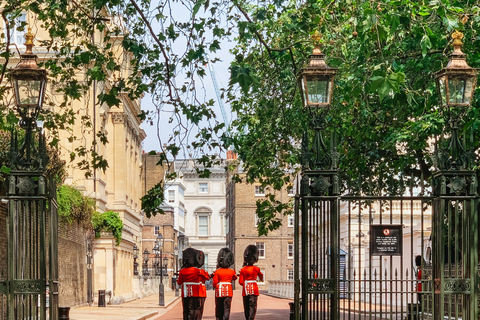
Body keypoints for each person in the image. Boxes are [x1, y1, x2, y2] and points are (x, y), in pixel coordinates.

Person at [177, 248, 210, 320]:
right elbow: (207, 278)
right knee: (195, 310)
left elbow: (179, 282)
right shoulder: (198, 271)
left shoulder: (182, 271)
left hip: (185, 293)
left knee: (186, 310)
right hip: (196, 292)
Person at [239, 245, 264, 320]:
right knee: (253, 307)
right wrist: (261, 279)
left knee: (246, 306)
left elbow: (240, 282)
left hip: (245, 290)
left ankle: (247, 318)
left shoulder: (243, 270)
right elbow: (261, 276)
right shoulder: (256, 269)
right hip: (254, 289)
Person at [212, 248, 237, 320]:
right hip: (228, 291)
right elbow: (234, 278)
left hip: (219, 292)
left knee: (219, 308)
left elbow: (214, 283)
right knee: (227, 308)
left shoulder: (217, 271)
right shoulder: (231, 271)